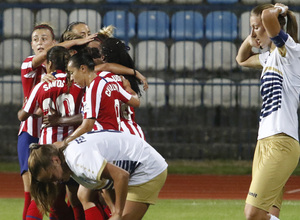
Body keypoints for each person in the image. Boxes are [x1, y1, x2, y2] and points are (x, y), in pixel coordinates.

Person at [18, 23, 95, 220]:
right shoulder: (78, 83)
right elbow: (89, 115)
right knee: (79, 196)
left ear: (50, 64)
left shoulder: (43, 84)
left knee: (42, 195)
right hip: (73, 144)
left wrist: (36, 110)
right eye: (36, 39)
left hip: (46, 145)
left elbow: (21, 115)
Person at [236, 3, 300, 220]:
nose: (253, 34)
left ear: (271, 26)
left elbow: (267, 15)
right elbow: (241, 59)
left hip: (282, 141)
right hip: (264, 142)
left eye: (256, 27)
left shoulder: (290, 51)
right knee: (267, 212)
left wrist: (279, 10)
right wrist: (253, 34)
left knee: (252, 213)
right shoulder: (268, 58)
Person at [28, 130, 168, 220]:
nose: (55, 182)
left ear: (55, 160)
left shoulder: (77, 160)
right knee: (83, 195)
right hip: (137, 166)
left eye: (52, 177)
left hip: (146, 168)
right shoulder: (68, 158)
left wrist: (117, 213)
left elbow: (121, 176)